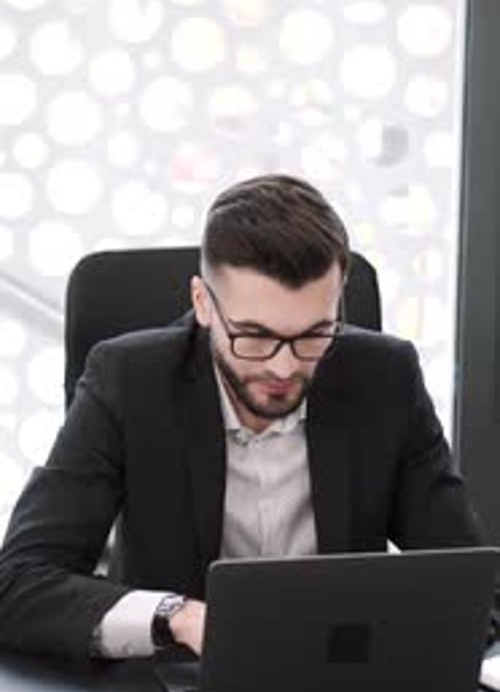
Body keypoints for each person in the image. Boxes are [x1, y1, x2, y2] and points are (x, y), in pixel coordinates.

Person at [0, 174, 495, 662]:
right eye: (254, 336)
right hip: (171, 686)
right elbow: (18, 584)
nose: (284, 366)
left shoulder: (386, 377)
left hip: (344, 685)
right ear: (203, 304)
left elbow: (474, 586)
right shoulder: (128, 381)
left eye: (314, 334)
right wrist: (180, 618)